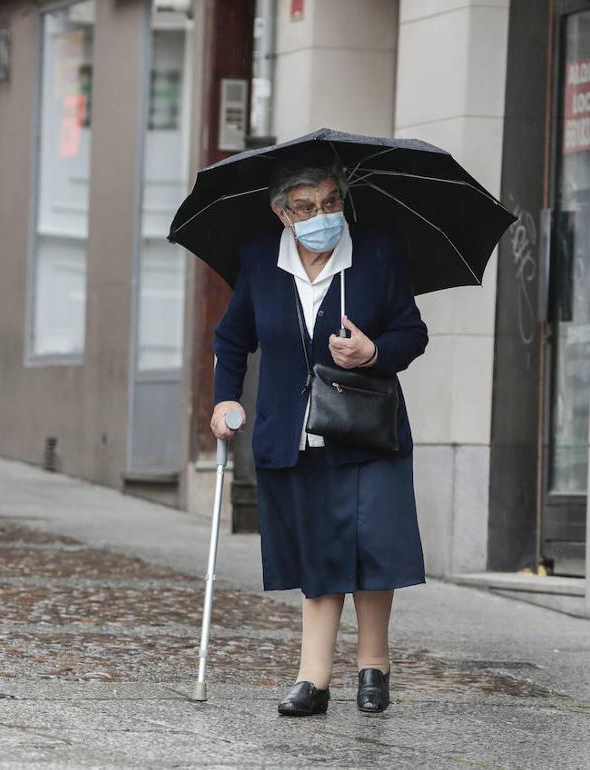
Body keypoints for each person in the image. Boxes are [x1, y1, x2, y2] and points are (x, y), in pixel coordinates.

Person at [210, 156, 427, 716]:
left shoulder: (376, 251)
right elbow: (233, 339)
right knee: (317, 553)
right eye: (305, 207)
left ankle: (373, 668)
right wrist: (226, 397)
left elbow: (412, 331)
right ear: (282, 213)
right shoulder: (261, 259)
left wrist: (373, 351)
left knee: (374, 544)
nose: (320, 216)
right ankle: (313, 678)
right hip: (293, 432)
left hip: (367, 430)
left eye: (331, 203)